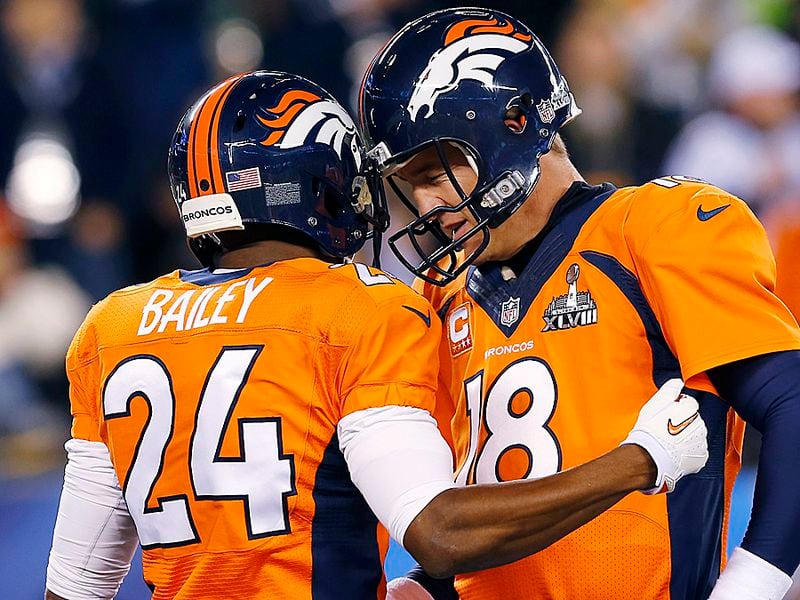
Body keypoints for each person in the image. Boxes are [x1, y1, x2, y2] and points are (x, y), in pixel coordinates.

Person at [43, 71, 709, 600]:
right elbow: (439, 532)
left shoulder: (113, 324)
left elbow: (73, 587)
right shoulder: (356, 308)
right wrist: (639, 461)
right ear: (321, 182)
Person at [359, 7, 800, 600]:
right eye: (409, 181)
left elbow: (792, 404)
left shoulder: (651, 229)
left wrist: (754, 583)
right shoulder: (440, 294)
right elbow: (461, 515)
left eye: (441, 167)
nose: (429, 201)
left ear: (517, 123)